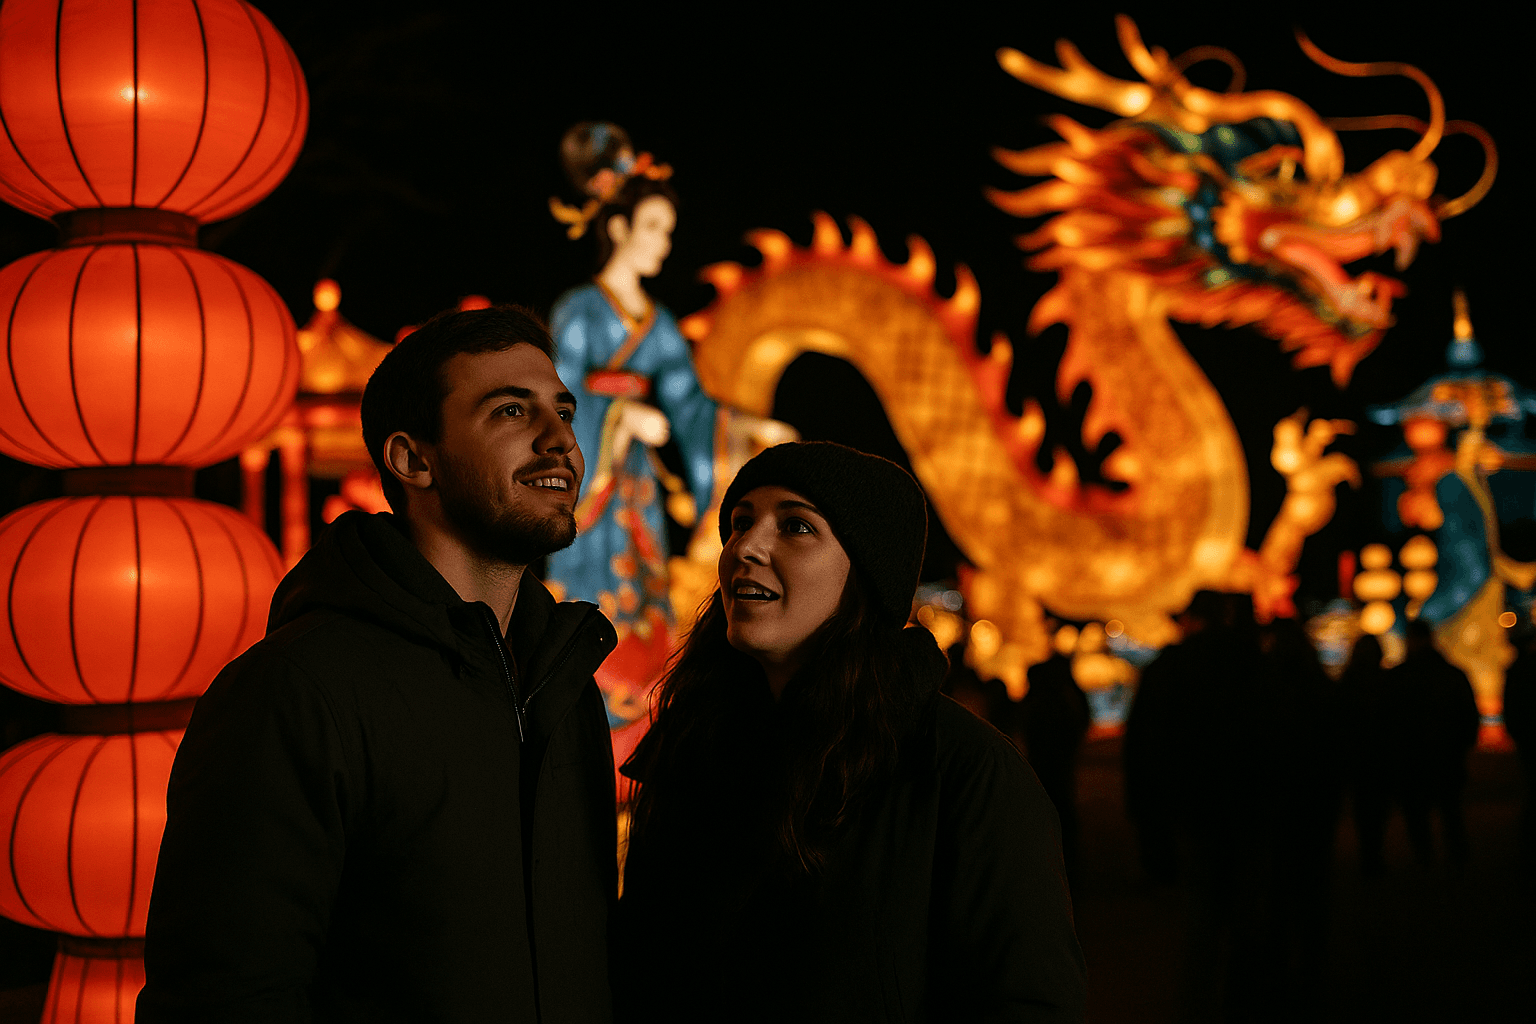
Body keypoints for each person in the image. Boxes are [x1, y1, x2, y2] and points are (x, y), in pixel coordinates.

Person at [138, 306, 620, 1023]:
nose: (560, 443)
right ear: (412, 459)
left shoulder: (564, 682)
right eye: (511, 412)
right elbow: (224, 995)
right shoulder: (296, 690)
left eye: (565, 412)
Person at [614, 441, 1086, 1023]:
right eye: (740, 523)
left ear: (865, 572)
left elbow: (1028, 1001)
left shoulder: (962, 771)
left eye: (796, 526)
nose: (746, 548)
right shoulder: (690, 750)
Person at [546, 122, 716, 760]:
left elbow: (692, 407)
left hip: (639, 489)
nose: (663, 246)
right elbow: (559, 402)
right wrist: (620, 418)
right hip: (592, 487)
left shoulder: (661, 324)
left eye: (668, 233)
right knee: (591, 606)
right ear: (617, 228)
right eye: (652, 229)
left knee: (648, 606)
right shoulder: (579, 312)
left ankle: (642, 731)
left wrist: (742, 429)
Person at [1389, 618, 1481, 870]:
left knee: (1418, 816)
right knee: (1450, 813)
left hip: (1413, 759)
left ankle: (1425, 861)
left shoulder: (1400, 678)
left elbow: (1390, 721)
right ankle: (1457, 862)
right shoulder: (1451, 675)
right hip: (1446, 756)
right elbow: (1468, 716)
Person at [1339, 634, 1392, 876]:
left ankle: (1368, 856)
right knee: (1378, 810)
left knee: (1363, 810)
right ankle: (1374, 854)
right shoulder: (1386, 682)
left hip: (1357, 757)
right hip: (1381, 757)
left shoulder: (1348, 684)